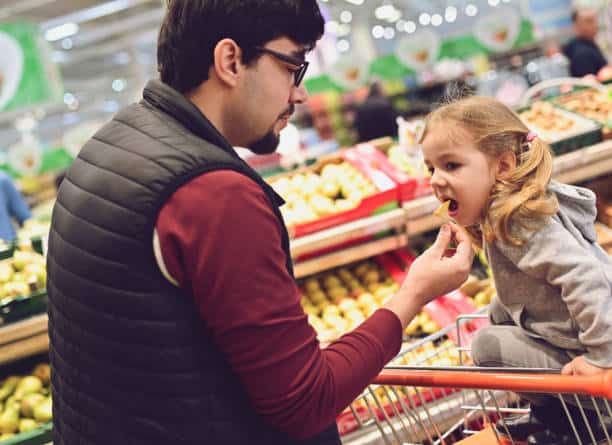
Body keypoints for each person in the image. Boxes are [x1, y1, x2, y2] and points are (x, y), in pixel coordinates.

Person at [46, 1, 473, 444]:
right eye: (293, 67)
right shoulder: (213, 194)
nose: (300, 93)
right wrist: (414, 294)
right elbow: (304, 402)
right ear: (230, 61)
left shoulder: (110, 147)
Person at [420, 95, 612, 445]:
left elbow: (587, 278)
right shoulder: (514, 209)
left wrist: (602, 357)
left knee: (486, 347)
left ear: (503, 167)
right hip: (578, 336)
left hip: (594, 352)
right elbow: (533, 286)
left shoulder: (515, 224)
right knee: (499, 317)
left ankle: (590, 418)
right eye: (430, 168)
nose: (435, 180)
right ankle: (565, 417)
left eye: (451, 166)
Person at [562, 7, 609, 78]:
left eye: (595, 20)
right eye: (589, 21)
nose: (595, 24)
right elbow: (589, 83)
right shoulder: (582, 53)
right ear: (576, 25)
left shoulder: (590, 45)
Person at [0, 171, 31, 242]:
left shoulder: (2, 180)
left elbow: (26, 218)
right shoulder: (2, 179)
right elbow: (25, 217)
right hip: (8, 247)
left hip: (8, 246)